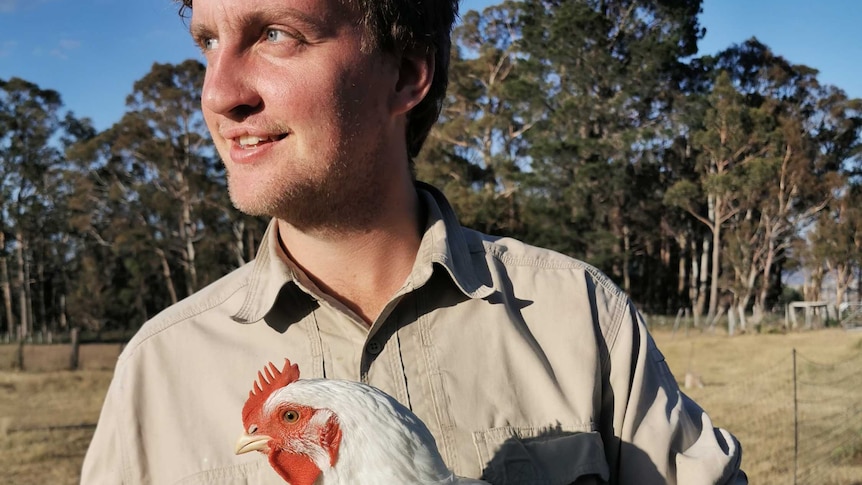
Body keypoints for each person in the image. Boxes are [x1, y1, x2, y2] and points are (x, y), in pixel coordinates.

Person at [82, 0, 746, 483]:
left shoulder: (581, 319)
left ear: (405, 76)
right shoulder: (157, 372)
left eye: (276, 34)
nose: (218, 92)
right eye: (207, 42)